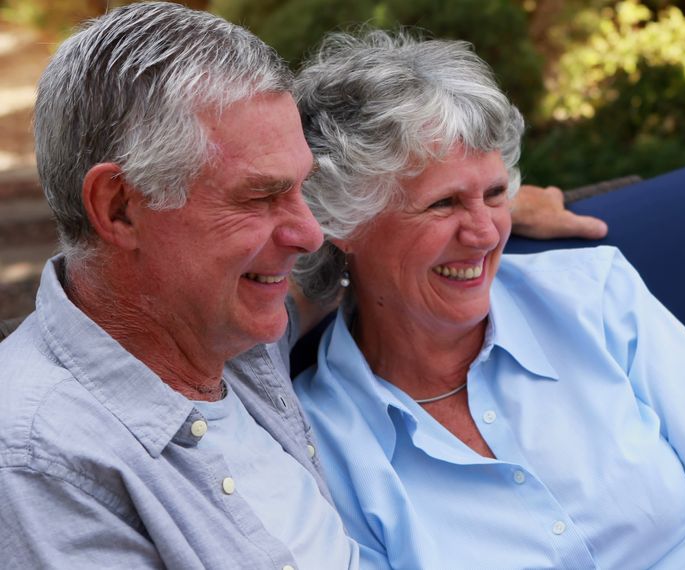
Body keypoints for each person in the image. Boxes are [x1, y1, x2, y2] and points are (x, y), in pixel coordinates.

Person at [0, 3, 603, 566]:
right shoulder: (42, 463)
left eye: (301, 188)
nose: (309, 233)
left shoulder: (225, 324)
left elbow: (355, 254)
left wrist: (475, 210)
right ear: (120, 208)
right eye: (261, 196)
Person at [290, 30, 685, 570]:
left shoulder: (592, 294)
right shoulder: (327, 442)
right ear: (346, 222)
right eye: (443, 204)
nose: (486, 233)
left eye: (495, 194)